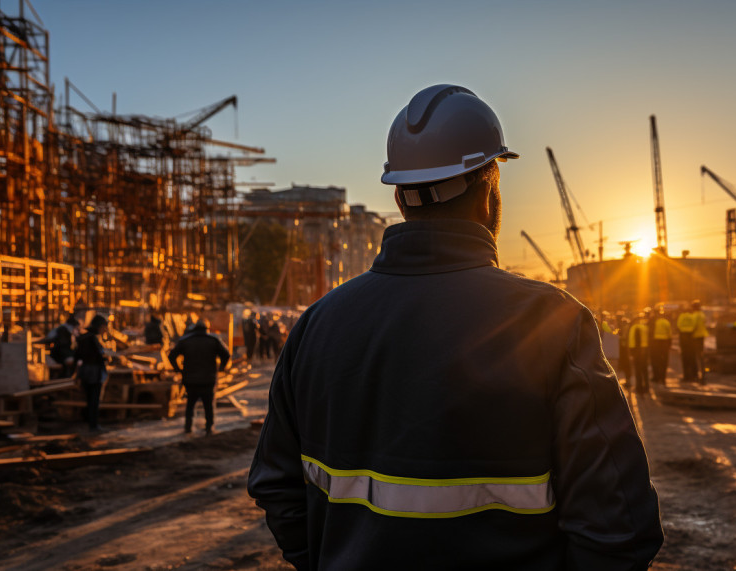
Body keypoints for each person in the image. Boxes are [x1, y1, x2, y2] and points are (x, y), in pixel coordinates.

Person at [248, 84, 662, 570]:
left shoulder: (316, 326)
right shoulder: (552, 323)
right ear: (489, 191)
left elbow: (276, 485)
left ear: (401, 197)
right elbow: (620, 527)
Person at [168, 319, 231, 435]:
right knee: (208, 405)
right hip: (208, 379)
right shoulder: (213, 340)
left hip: (190, 379)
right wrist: (221, 368)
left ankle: (188, 428)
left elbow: (171, 356)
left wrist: (178, 369)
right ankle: (209, 428)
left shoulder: (185, 341)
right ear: (206, 329)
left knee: (190, 404)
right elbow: (226, 354)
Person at [74, 315, 109, 432]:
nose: (105, 330)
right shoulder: (92, 339)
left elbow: (77, 355)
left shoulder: (83, 338)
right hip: (94, 372)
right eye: (104, 327)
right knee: (94, 400)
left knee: (89, 399)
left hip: (85, 371)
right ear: (100, 326)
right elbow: (99, 356)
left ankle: (91, 423)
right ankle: (93, 425)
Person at [42, 314, 79, 378]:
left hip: (59, 355)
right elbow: (62, 347)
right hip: (59, 357)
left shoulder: (63, 329)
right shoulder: (63, 331)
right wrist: (70, 356)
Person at [629, 308, 651, 395]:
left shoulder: (636, 328)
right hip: (644, 350)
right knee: (644, 370)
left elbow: (636, 341)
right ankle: (646, 387)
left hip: (638, 351)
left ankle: (639, 388)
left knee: (638, 370)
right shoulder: (644, 327)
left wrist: (633, 352)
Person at [651, 306, 672, 386]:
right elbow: (669, 334)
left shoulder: (655, 322)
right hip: (665, 343)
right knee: (664, 362)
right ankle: (663, 379)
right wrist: (669, 344)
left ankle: (657, 377)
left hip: (656, 343)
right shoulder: (667, 322)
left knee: (657, 361)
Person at [676, 304, 697, 381]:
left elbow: (678, 326)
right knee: (692, 357)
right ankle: (694, 375)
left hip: (683, 337)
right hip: (691, 337)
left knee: (685, 358)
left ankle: (686, 376)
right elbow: (695, 325)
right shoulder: (692, 316)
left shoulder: (681, 316)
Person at [691, 300, 708, 384]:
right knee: (701, 355)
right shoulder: (702, 315)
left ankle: (698, 375)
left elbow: (693, 326)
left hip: (696, 337)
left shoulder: (694, 316)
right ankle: (703, 374)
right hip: (702, 335)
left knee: (697, 356)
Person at [617, 316, 632, 384]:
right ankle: (627, 379)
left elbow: (624, 338)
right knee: (626, 364)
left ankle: (628, 380)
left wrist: (618, 337)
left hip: (625, 348)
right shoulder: (628, 327)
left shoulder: (626, 328)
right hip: (627, 347)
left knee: (626, 364)